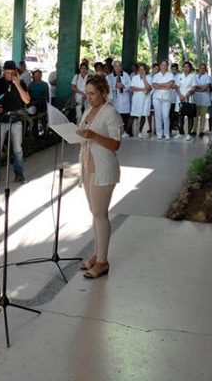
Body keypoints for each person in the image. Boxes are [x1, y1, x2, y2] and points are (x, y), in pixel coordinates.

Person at [76, 75, 123, 279]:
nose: (89, 97)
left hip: (103, 168)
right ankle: (98, 253)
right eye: (87, 93)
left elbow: (115, 144)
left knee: (100, 213)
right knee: (93, 213)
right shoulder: (89, 110)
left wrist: (92, 136)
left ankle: (103, 262)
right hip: (88, 166)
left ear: (103, 93)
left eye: (93, 93)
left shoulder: (111, 113)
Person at [0, 61, 31, 183]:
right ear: (3, 71)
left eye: (12, 73)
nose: (9, 75)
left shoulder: (21, 83)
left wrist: (17, 84)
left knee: (18, 150)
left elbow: (27, 100)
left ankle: (19, 174)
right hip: (1, 119)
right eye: (7, 73)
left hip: (16, 119)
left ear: (15, 72)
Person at [150, 60, 175, 140]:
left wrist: (160, 85)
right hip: (157, 98)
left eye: (165, 65)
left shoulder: (170, 75)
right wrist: (165, 85)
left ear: (167, 66)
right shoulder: (156, 75)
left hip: (166, 99)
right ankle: (159, 133)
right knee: (158, 116)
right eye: (162, 65)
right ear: (160, 66)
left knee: (165, 116)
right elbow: (154, 85)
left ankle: (166, 133)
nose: (164, 67)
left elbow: (170, 84)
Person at [107, 61, 131, 137]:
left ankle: (125, 132)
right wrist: (115, 86)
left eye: (119, 66)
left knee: (125, 116)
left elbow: (130, 86)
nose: (117, 68)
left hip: (124, 98)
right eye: (116, 66)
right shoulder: (109, 77)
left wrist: (123, 86)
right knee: (115, 116)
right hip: (115, 99)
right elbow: (108, 88)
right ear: (113, 67)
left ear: (121, 67)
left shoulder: (126, 75)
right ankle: (116, 132)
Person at [128, 63, 151, 139]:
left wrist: (144, 79)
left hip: (145, 100)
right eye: (140, 69)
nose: (141, 71)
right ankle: (128, 131)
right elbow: (132, 88)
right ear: (138, 70)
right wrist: (141, 89)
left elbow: (148, 88)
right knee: (133, 115)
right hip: (136, 99)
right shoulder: (134, 78)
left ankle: (140, 132)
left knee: (143, 115)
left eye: (143, 69)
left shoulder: (148, 78)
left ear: (145, 70)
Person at [175, 61, 196, 141]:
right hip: (180, 99)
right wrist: (180, 96)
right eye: (185, 67)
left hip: (189, 99)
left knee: (190, 116)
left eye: (188, 67)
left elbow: (193, 89)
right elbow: (177, 87)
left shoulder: (193, 76)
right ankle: (181, 133)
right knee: (180, 116)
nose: (186, 68)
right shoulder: (180, 76)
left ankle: (189, 134)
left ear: (190, 68)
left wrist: (186, 96)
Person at [191, 64, 211, 137]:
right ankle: (194, 130)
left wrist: (197, 87)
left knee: (203, 116)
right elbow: (193, 87)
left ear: (205, 69)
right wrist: (201, 88)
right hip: (196, 99)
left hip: (205, 99)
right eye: (201, 68)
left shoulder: (208, 77)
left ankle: (201, 130)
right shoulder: (194, 77)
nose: (202, 69)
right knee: (195, 116)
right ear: (198, 69)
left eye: (204, 68)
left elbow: (205, 88)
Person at [28, 70, 49, 136]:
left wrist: (47, 102)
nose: (37, 76)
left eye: (39, 75)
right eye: (36, 75)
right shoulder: (31, 84)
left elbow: (47, 95)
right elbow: (28, 94)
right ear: (33, 76)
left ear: (41, 75)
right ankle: (35, 133)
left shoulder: (45, 84)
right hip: (33, 103)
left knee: (43, 118)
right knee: (34, 119)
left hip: (42, 103)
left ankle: (45, 133)